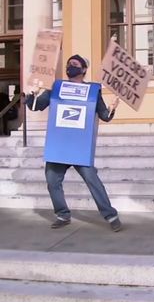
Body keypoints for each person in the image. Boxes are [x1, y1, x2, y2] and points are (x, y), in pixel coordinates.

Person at [26, 54, 122, 231]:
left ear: (84, 69)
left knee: (93, 181)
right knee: (52, 181)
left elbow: (104, 116)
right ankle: (62, 214)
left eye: (75, 64)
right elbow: (37, 106)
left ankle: (111, 216)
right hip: (59, 146)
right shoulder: (56, 87)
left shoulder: (93, 91)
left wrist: (112, 108)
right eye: (69, 64)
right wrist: (32, 93)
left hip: (80, 146)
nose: (70, 66)